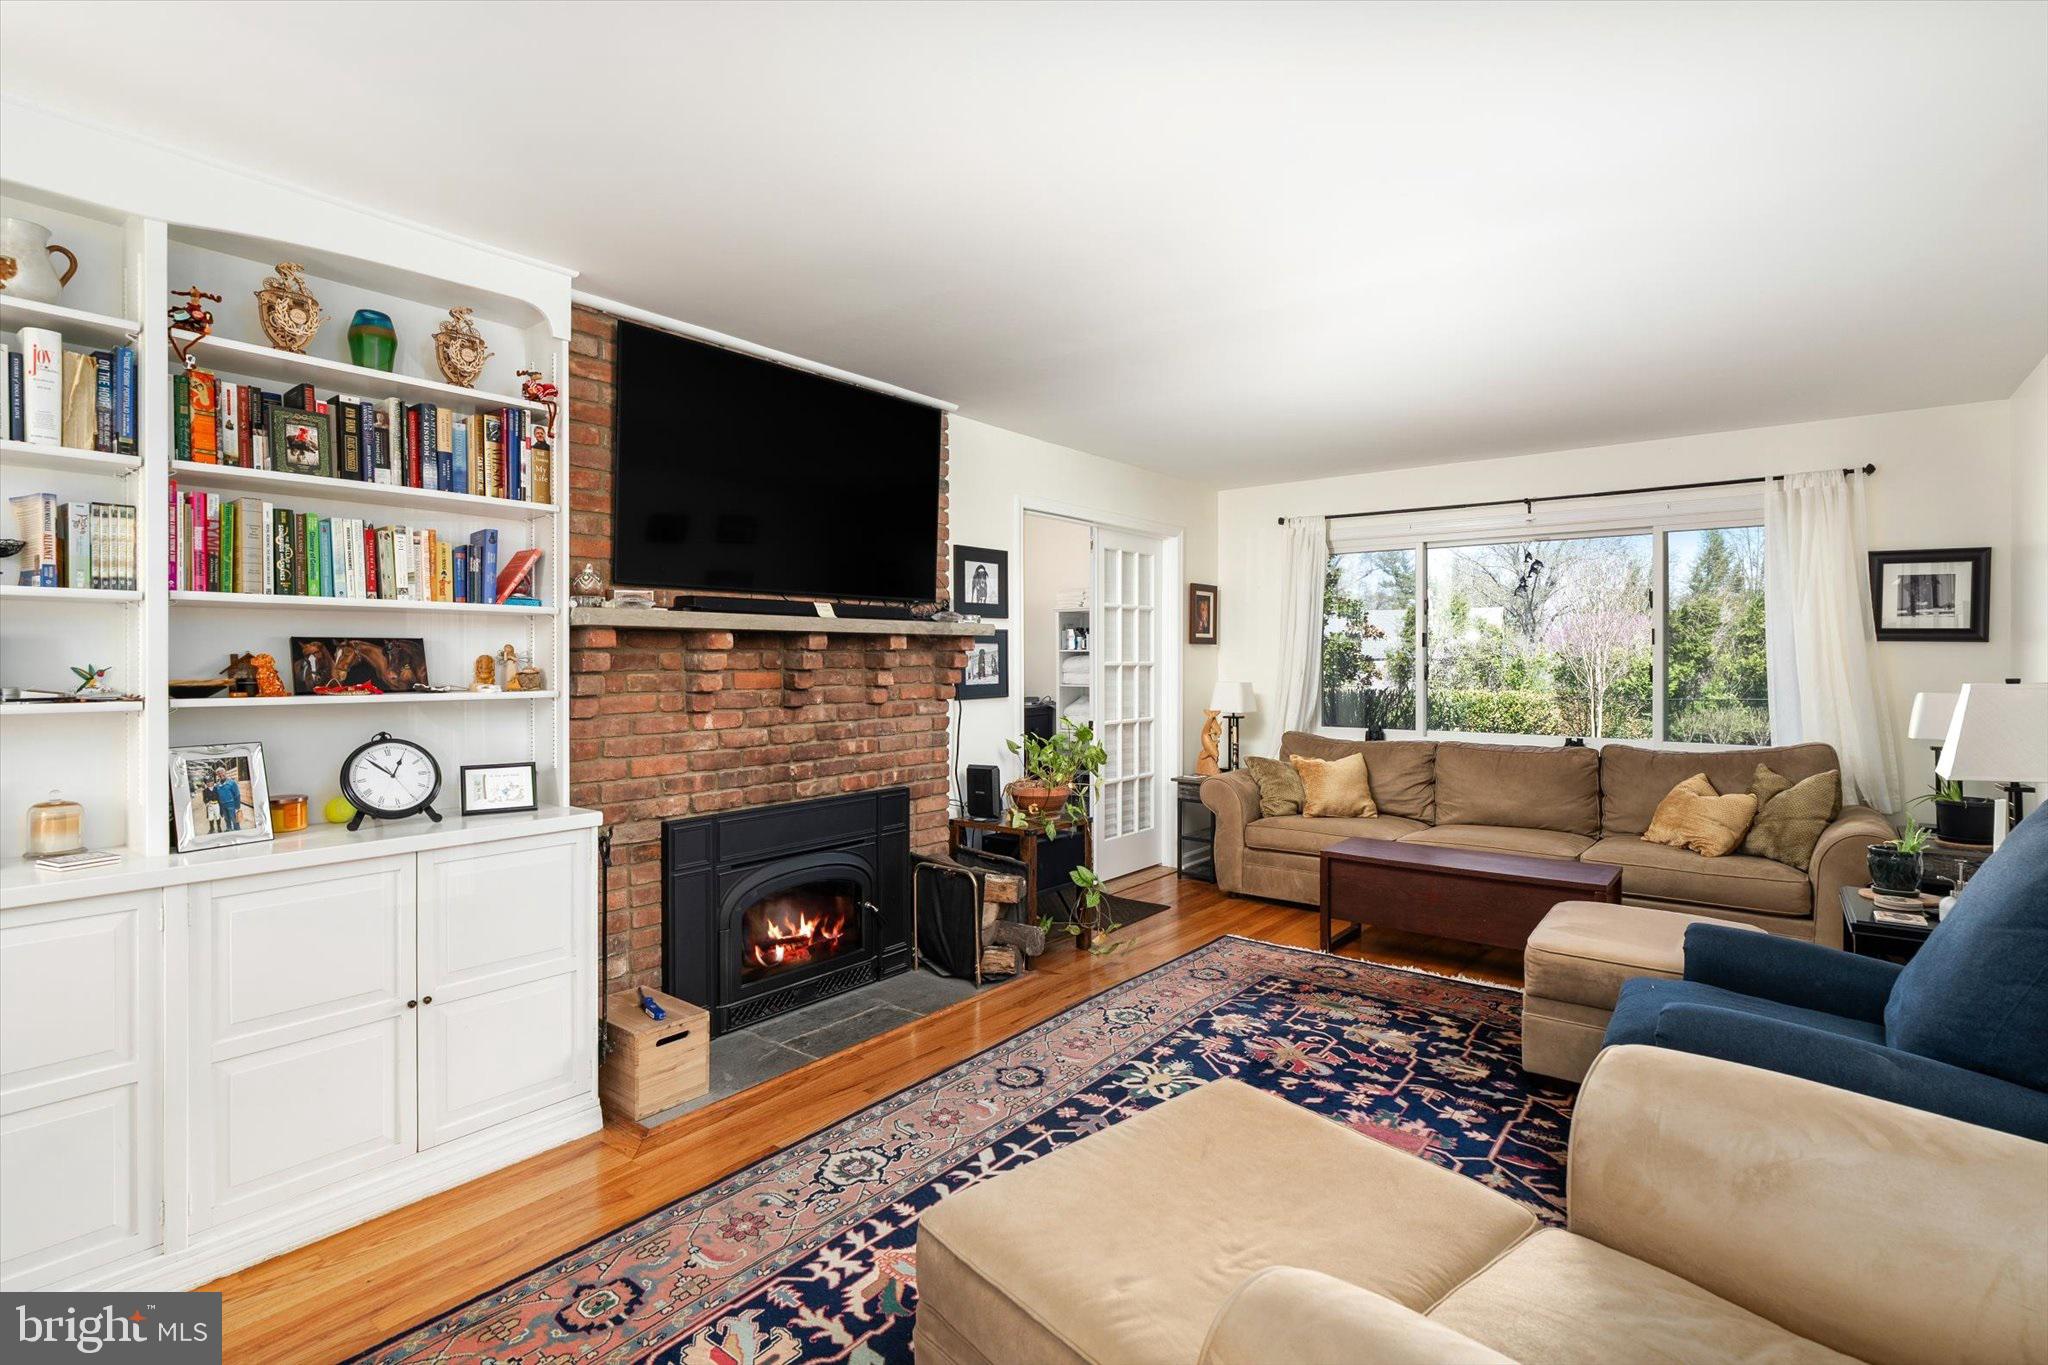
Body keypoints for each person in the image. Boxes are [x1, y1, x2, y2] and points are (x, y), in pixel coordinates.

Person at [214, 765, 243, 832]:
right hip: (223, 805)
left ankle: (237, 829)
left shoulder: (232, 783)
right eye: (219, 773)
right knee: (226, 819)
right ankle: (229, 828)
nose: (221, 775)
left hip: (231, 805)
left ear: (225, 773)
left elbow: (237, 795)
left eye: (222, 772)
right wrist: (220, 808)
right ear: (217, 775)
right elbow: (218, 797)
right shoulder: (217, 785)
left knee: (234, 819)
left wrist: (237, 806)